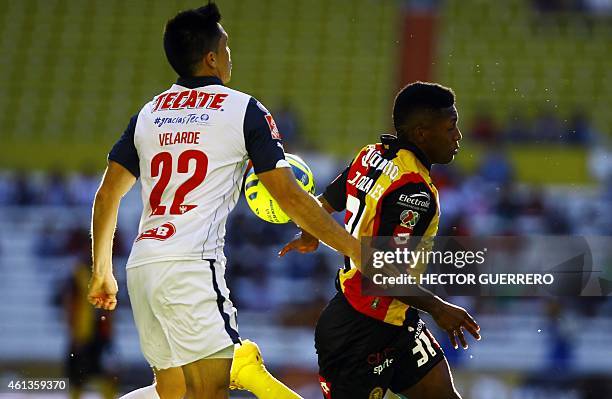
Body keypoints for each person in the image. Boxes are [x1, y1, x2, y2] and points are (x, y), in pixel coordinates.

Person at [86, 3, 360, 399]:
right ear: (212, 58)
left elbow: (107, 193)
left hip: (143, 266)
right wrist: (354, 248)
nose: (231, 56)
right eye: (227, 48)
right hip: (191, 267)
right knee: (209, 392)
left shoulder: (149, 113)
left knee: (173, 391)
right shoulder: (243, 109)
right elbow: (287, 194)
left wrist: (101, 272)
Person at [280, 82, 481, 399]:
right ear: (422, 133)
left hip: (395, 318)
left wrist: (309, 235)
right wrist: (438, 307)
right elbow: (382, 273)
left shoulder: (371, 156)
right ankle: (253, 376)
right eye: (450, 127)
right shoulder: (414, 191)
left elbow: (321, 205)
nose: (457, 136)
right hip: (361, 332)